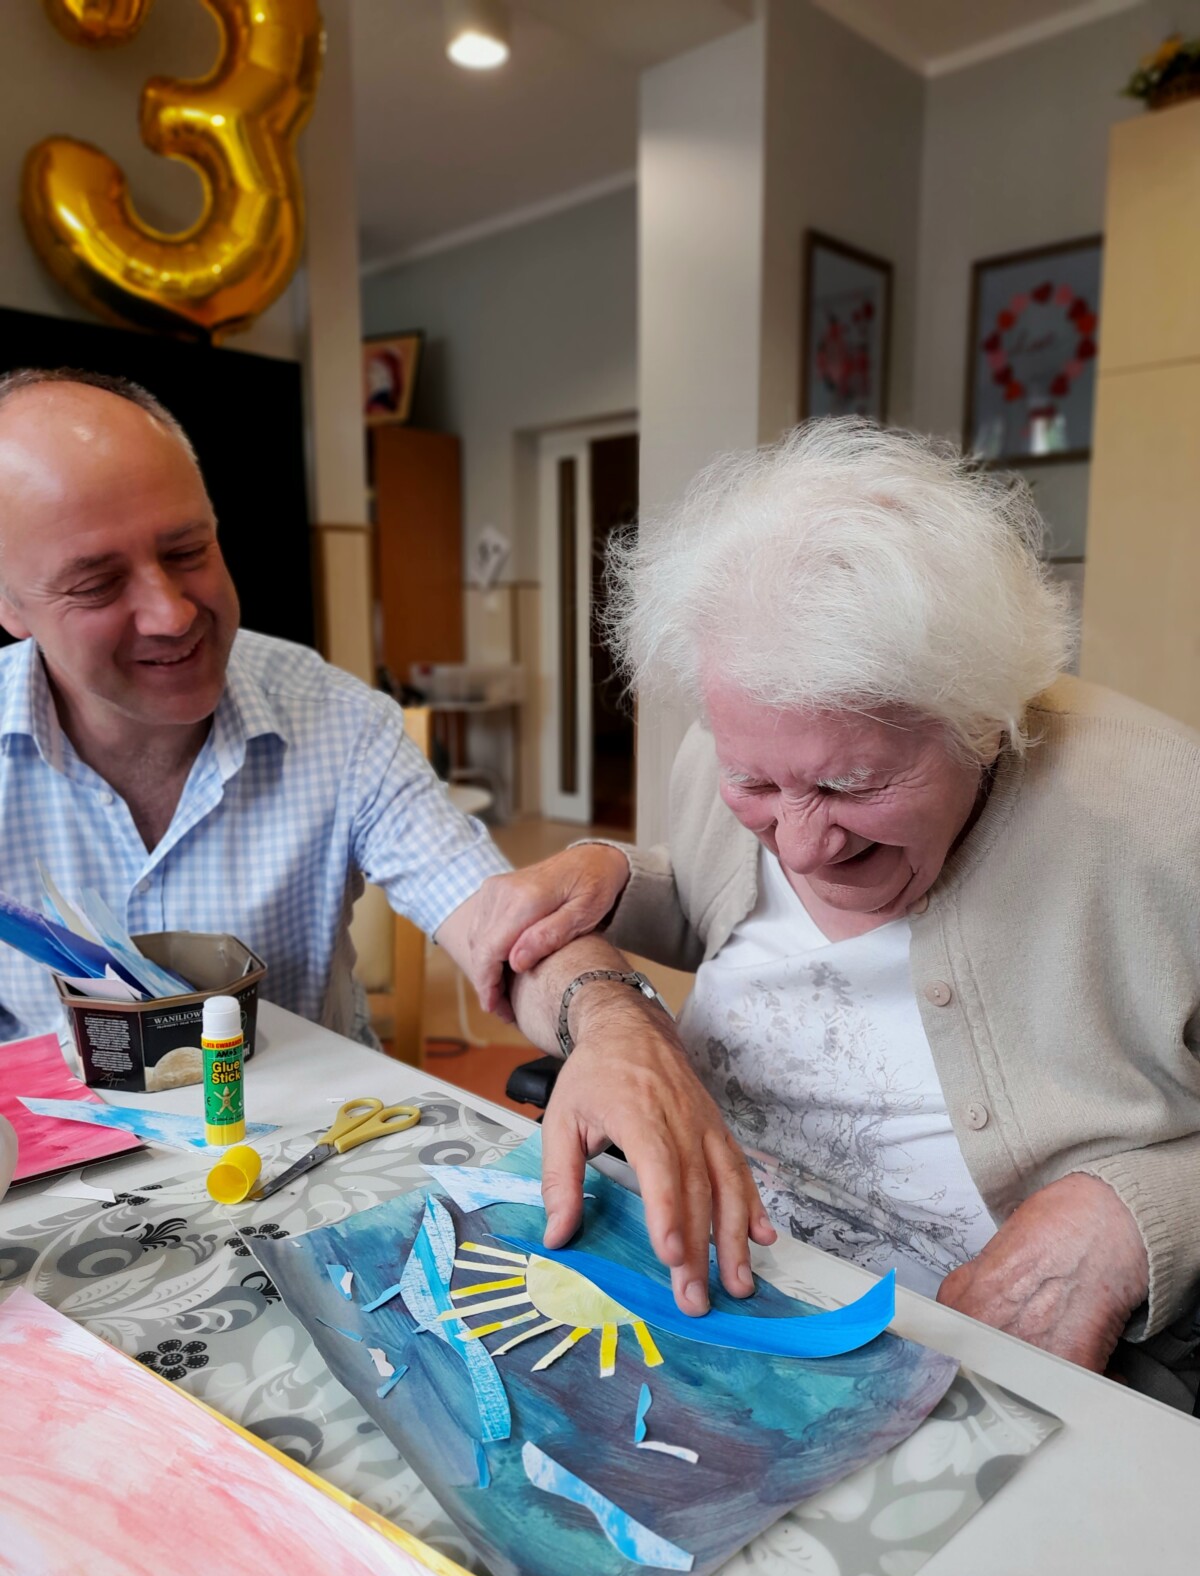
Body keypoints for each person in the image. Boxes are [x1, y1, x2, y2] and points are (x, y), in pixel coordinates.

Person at [0, 368, 771, 1313]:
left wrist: (615, 1022)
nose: (170, 611)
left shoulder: (338, 721)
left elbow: (498, 920)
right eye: (95, 584)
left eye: (188, 550)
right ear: (11, 605)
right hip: (53, 1216)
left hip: (317, 1182)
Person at [466, 418, 1200, 1375]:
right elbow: (706, 907)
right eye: (757, 786)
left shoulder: (1161, 815)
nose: (805, 847)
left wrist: (1129, 1216)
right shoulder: (731, 736)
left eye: (855, 786)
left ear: (983, 721)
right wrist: (618, 889)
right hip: (680, 1279)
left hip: (963, 1349)